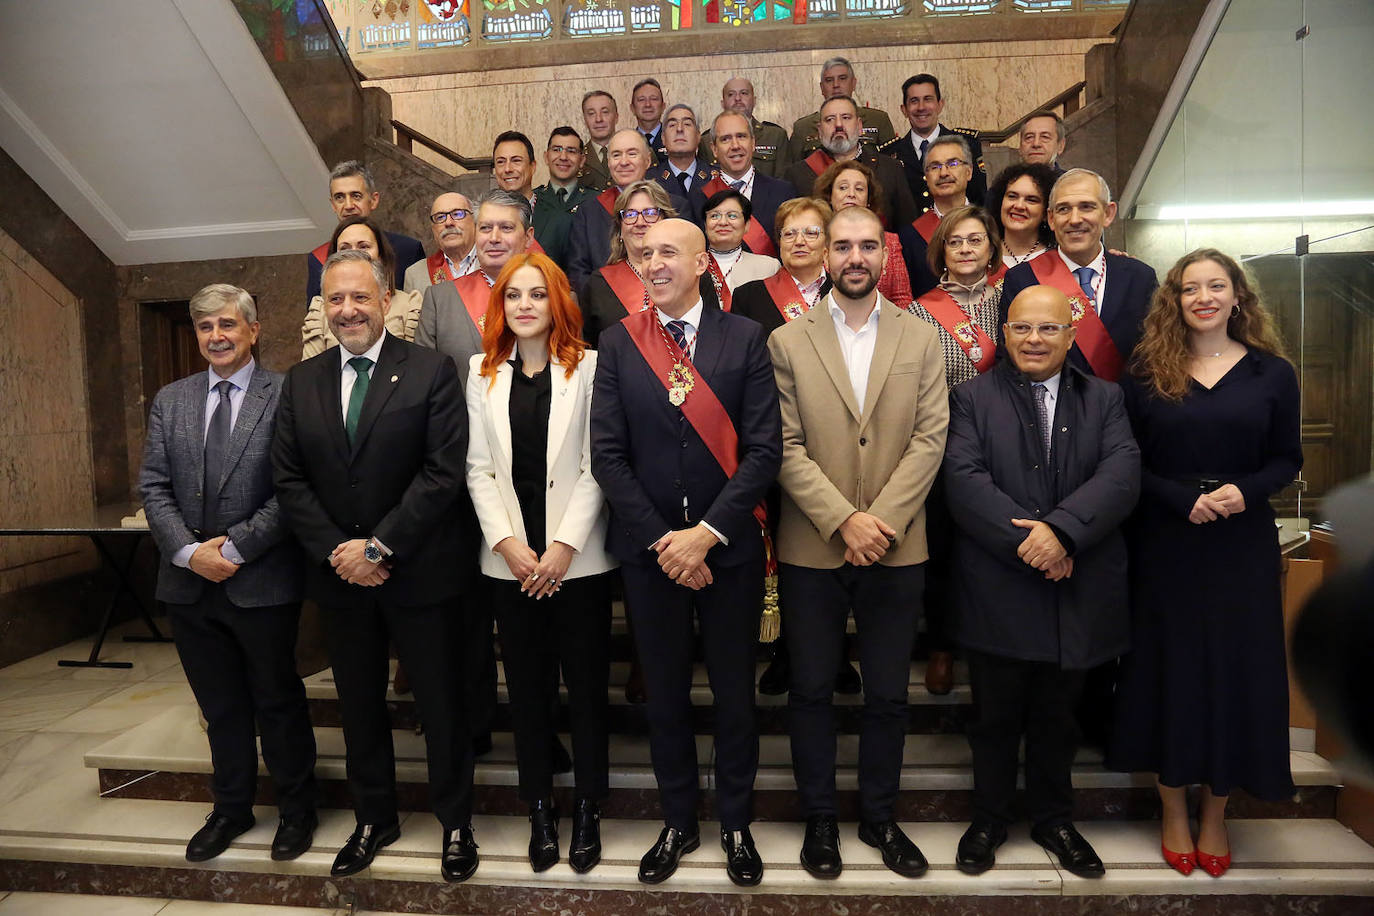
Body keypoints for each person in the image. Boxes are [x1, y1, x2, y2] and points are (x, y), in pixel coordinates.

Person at [272, 250, 479, 882]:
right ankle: (374, 818)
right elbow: (288, 478)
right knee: (359, 704)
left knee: (441, 705)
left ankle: (456, 822)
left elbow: (442, 474)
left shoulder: (432, 371)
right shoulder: (300, 380)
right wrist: (342, 551)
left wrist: (380, 548)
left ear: (386, 300)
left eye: (359, 297)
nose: (348, 311)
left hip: (418, 572)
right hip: (340, 579)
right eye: (335, 300)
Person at [590, 218, 781, 887]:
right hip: (651, 557)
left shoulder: (746, 338)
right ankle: (677, 820)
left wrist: (706, 534)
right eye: (644, 254)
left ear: (703, 262)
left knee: (735, 696)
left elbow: (763, 451)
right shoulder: (617, 343)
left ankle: (735, 821)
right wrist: (664, 541)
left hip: (725, 553)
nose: (654, 262)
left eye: (668, 251)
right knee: (665, 695)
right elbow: (607, 457)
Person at [1109, 250, 1301, 879]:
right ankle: (1171, 808)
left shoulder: (1273, 373)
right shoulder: (1145, 371)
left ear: (1237, 296)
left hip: (1241, 541)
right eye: (1190, 288)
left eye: (1216, 286)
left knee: (1234, 673)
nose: (1204, 297)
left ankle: (1216, 815)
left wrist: (1244, 493)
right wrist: (1178, 498)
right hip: (1166, 540)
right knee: (1170, 670)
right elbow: (1127, 457)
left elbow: (1286, 458)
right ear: (1174, 300)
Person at [769, 206, 948, 881]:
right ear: (822, 255)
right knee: (812, 689)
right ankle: (820, 818)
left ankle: (879, 816)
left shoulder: (920, 335)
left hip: (897, 547)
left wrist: (883, 521)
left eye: (866, 245)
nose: (852, 256)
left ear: (885, 254)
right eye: (840, 244)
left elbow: (931, 438)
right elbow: (782, 446)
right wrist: (844, 519)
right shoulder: (788, 341)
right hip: (813, 545)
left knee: (888, 696)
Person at [943, 284, 1140, 879]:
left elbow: (1122, 474)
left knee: (1061, 717)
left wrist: (1063, 534)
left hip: (1076, 584)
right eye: (1022, 328)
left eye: (1048, 329)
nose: (1034, 339)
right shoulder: (972, 396)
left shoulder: (1105, 398)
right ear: (1005, 334)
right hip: (998, 583)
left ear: (1070, 333)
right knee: (994, 716)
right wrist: (1033, 544)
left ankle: (1055, 818)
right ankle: (990, 818)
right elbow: (963, 480)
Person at [139, 284, 316, 865]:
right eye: (205, 328)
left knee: (277, 702)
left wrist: (234, 550)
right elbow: (154, 488)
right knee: (219, 707)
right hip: (189, 585)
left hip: (262, 582)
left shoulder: (287, 394)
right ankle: (231, 807)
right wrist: (190, 553)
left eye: (227, 326)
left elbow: (293, 488)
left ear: (253, 330)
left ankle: (296, 810)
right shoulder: (171, 399)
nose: (216, 337)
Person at [465, 252, 616, 874]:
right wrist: (509, 545)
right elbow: (477, 468)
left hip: (575, 564)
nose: (524, 305)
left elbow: (596, 462)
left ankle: (587, 806)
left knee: (585, 691)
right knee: (527, 692)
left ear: (558, 303)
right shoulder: (481, 372)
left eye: (537, 294)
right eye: (513, 296)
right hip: (511, 564)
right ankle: (540, 808)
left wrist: (562, 548)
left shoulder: (590, 370)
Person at [416, 188, 536, 759]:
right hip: (459, 480)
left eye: (504, 229)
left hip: (533, 481)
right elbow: (420, 387)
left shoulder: (548, 292)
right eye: (484, 228)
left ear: (525, 236)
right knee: (468, 615)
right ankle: (479, 720)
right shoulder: (440, 300)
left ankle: (539, 729)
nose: (492, 237)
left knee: (531, 616)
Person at [905, 206, 1005, 697]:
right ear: (940, 251)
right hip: (944, 448)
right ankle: (942, 646)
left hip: (1008, 445)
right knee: (943, 550)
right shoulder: (919, 312)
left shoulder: (1013, 298)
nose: (965, 249)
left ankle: (993, 645)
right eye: (955, 242)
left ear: (991, 247)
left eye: (975, 240)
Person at [999, 169, 1158, 383]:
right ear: (1051, 218)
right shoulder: (1022, 278)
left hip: (1125, 411)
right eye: (1064, 209)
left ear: (1108, 213)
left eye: (1087, 207)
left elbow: (1157, 354)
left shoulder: (1139, 278)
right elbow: (1009, 359)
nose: (1075, 220)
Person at [566, 129, 688, 298]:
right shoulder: (588, 212)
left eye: (632, 154)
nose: (623, 162)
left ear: (647, 161)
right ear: (609, 163)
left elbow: (687, 261)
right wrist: (605, 303)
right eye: (616, 155)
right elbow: (578, 271)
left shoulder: (675, 206)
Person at [785, 96, 916, 232]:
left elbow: (907, 229)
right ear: (819, 130)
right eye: (830, 120)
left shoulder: (890, 169)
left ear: (859, 126)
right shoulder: (797, 174)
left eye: (846, 117)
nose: (838, 125)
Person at [303, 217, 423, 358]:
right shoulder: (320, 308)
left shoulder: (409, 305)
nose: (355, 254)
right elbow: (311, 372)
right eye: (344, 248)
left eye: (364, 246)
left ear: (381, 256)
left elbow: (417, 368)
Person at [306, 160, 424, 302]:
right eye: (340, 198)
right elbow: (316, 318)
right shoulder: (319, 258)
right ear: (333, 205)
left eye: (356, 196)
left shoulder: (408, 250)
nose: (348, 205)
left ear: (373, 200)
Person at [814, 160, 913, 307]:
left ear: (869, 199)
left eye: (859, 189)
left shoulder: (890, 241)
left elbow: (902, 299)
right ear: (830, 195)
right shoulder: (815, 238)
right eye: (843, 188)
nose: (851, 194)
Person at [881, 74, 986, 212]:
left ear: (940, 105)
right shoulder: (889, 154)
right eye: (914, 101)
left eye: (928, 99)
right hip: (911, 233)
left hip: (958, 228)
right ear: (904, 110)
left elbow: (979, 197)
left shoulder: (967, 144)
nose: (921, 107)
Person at [732, 197, 833, 336]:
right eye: (789, 234)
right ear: (779, 242)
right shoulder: (748, 298)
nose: (799, 241)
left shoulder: (846, 292)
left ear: (827, 242)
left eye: (810, 233)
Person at [703, 112, 799, 256]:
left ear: (753, 143)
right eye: (725, 139)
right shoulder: (699, 197)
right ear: (714, 149)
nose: (735, 145)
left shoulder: (783, 193)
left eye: (741, 136)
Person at [896, 135, 977, 299]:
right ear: (926, 177)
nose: (943, 173)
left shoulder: (990, 225)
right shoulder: (909, 237)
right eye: (934, 167)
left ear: (969, 172)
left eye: (953, 164)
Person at [787, 57, 897, 161]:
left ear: (853, 83)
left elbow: (889, 166)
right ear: (822, 88)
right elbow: (795, 173)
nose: (836, 85)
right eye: (829, 80)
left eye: (842, 78)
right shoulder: (803, 127)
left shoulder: (878, 119)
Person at [701, 188, 780, 311]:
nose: (723, 222)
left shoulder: (769, 267)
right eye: (714, 216)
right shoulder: (693, 265)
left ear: (747, 225)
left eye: (732, 216)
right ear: (705, 226)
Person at [533, 127, 592, 271]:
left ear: (582, 160)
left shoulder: (596, 201)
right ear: (546, 157)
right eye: (557, 149)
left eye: (571, 151)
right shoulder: (532, 201)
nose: (563, 157)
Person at [403, 191, 478, 294]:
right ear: (433, 228)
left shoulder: (497, 262)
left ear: (474, 221)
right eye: (440, 217)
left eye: (457, 214)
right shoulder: (415, 275)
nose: (448, 223)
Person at [714, 76, 790, 177]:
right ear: (723, 103)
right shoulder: (706, 141)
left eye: (744, 93)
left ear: (754, 101)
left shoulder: (775, 136)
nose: (737, 98)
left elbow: (784, 179)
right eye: (731, 94)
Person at [986, 163, 1058, 271]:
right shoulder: (982, 256)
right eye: (1012, 196)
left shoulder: (1057, 262)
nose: (1019, 206)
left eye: (1031, 200)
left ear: (1046, 213)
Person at [652, 103, 712, 219]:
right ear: (663, 138)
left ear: (698, 136)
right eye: (672, 125)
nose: (679, 129)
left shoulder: (716, 178)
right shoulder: (650, 180)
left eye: (687, 124)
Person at [578, 90, 619, 191]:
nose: (598, 119)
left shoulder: (636, 153)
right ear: (585, 120)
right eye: (591, 114)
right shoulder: (577, 158)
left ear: (616, 117)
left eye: (605, 112)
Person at [493, 130, 538, 204]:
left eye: (516, 160)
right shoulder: (486, 213)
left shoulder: (555, 212)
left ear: (532, 167)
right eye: (501, 162)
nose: (507, 169)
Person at [631, 78, 666, 159]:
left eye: (654, 99)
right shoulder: (626, 143)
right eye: (641, 100)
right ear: (632, 108)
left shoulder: (674, 140)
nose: (648, 104)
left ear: (663, 106)